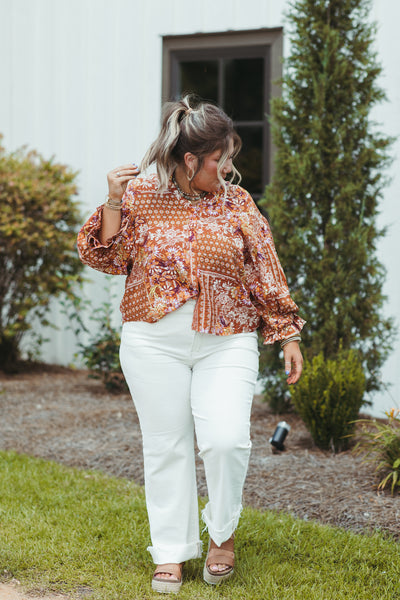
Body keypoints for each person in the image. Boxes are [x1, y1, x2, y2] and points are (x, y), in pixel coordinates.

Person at [77, 95, 304, 594]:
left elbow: (264, 269)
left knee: (225, 441)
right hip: (153, 343)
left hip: (228, 341)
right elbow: (106, 256)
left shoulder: (238, 202)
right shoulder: (140, 199)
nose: (228, 167)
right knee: (166, 447)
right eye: (220, 158)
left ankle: (222, 533)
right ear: (189, 160)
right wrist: (113, 201)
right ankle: (171, 551)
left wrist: (286, 331)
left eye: (229, 157)